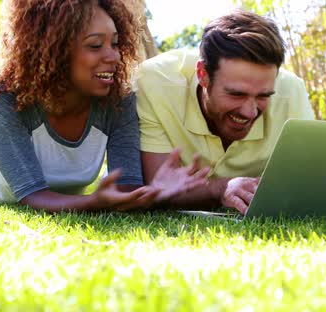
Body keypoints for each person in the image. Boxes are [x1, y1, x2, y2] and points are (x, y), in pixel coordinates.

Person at [0, 0, 209, 213]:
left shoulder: (117, 100)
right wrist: (93, 203)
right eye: (95, 45)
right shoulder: (2, 97)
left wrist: (157, 193)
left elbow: (125, 190)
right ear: (54, 49)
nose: (113, 55)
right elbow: (35, 197)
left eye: (116, 43)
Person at [135, 10, 315, 214]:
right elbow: (158, 188)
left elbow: (306, 183)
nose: (249, 112)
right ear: (203, 75)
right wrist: (222, 187)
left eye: (263, 96)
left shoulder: (292, 93)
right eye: (236, 94)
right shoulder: (153, 82)